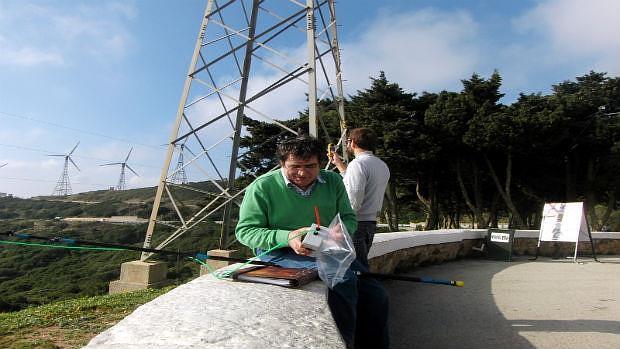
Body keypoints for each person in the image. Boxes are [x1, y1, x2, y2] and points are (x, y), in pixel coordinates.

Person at [236, 135, 389, 349]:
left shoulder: (332, 181)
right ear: (282, 163)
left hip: (327, 248)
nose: (302, 173)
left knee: (376, 295)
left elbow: (349, 217)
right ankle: (345, 342)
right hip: (279, 252)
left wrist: (341, 231)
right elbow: (245, 231)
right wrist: (287, 237)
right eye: (295, 166)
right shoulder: (262, 187)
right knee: (343, 280)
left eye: (310, 166)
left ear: (320, 162)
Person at [329, 128, 390, 267]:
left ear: (353, 143)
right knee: (360, 266)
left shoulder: (357, 164)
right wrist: (340, 165)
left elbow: (353, 198)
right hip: (370, 223)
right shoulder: (382, 165)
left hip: (356, 224)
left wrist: (342, 224)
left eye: (348, 141)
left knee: (355, 267)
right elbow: (358, 185)